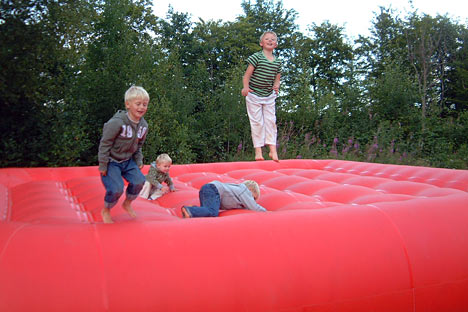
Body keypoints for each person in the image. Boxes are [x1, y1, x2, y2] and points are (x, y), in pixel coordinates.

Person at [98, 86, 150, 224]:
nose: (141, 107)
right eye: (138, 104)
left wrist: (138, 160)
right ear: (128, 104)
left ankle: (127, 203)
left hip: (127, 161)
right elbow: (105, 143)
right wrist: (103, 164)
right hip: (112, 161)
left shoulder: (143, 125)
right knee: (116, 189)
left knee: (139, 181)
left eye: (144, 104)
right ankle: (106, 210)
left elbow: (139, 146)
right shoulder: (117, 122)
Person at [241, 31, 282, 162]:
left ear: (275, 44)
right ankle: (258, 151)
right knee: (257, 122)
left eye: (273, 39)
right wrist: (245, 87)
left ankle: (272, 150)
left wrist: (276, 86)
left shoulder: (277, 62)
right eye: (267, 39)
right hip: (254, 95)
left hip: (268, 96)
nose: (270, 41)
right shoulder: (256, 57)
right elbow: (247, 74)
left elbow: (277, 77)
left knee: (271, 121)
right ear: (261, 43)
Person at [181, 180, 267, 218]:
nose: (252, 200)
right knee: (213, 213)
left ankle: (194, 210)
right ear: (250, 190)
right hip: (213, 190)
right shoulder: (244, 190)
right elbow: (254, 207)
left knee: (207, 214)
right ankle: (190, 210)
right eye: (253, 198)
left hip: (208, 189)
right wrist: (267, 213)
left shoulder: (238, 195)